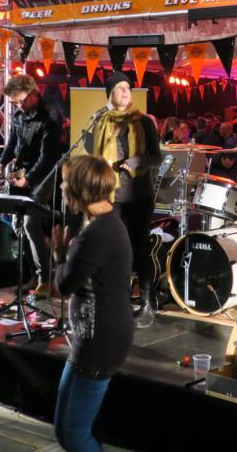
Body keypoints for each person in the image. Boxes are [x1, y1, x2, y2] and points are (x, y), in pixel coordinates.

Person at [52, 155, 133, 452]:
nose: (61, 188)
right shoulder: (103, 220)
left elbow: (64, 284)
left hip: (101, 340)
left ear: (79, 190)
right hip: (91, 337)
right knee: (69, 428)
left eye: (65, 183)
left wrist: (59, 255)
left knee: (72, 436)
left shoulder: (98, 232)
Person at [81, 71, 161, 328]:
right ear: (110, 95)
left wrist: (137, 161)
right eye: (120, 88)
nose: (126, 92)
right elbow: (93, 155)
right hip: (111, 196)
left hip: (139, 195)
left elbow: (157, 157)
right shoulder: (101, 121)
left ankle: (147, 301)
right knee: (114, 250)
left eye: (128, 87)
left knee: (139, 248)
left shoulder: (144, 122)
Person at [0, 75, 62, 298]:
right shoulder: (18, 115)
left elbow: (48, 157)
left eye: (22, 101)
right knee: (18, 225)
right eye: (15, 103)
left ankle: (45, 279)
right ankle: (34, 274)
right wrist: (2, 162)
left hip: (43, 175)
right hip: (22, 170)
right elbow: (13, 143)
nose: (19, 106)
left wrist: (29, 179)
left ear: (34, 94)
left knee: (30, 224)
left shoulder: (50, 117)